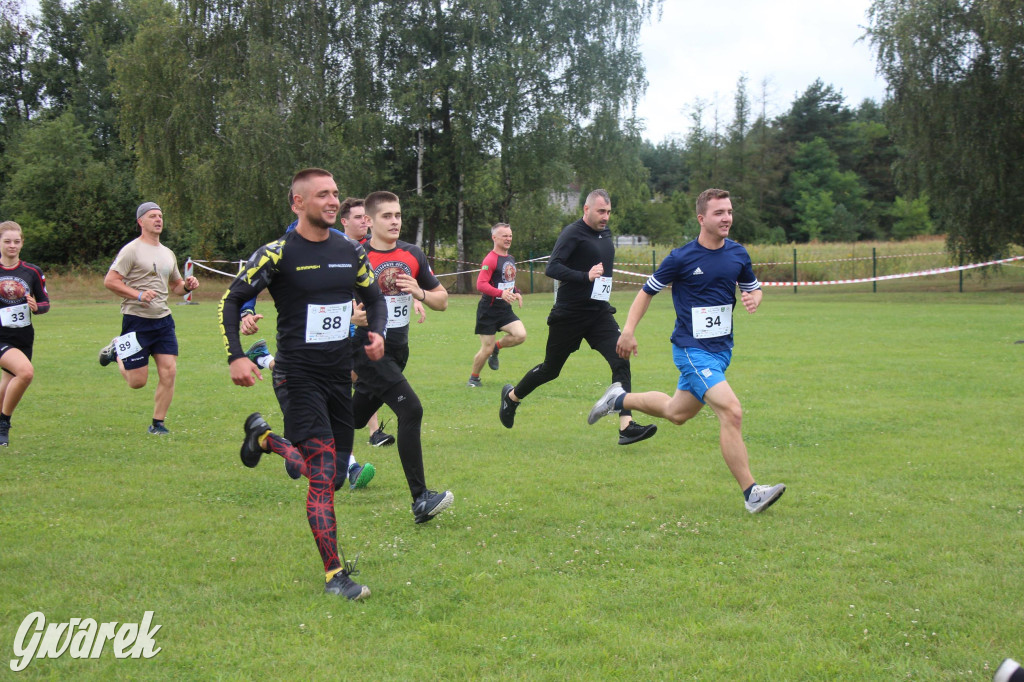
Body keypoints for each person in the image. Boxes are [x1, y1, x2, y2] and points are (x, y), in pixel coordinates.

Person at [219, 168, 387, 600]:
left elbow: (374, 298)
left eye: (336, 194)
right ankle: (336, 577)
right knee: (323, 472)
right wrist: (236, 355)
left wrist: (377, 333)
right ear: (297, 203)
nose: (333, 201)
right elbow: (233, 297)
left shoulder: (349, 251)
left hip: (337, 377)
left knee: (321, 476)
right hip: (297, 376)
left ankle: (262, 438)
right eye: (322, 195)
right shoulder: (277, 254)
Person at [587, 188, 786, 514]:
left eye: (730, 212)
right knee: (731, 411)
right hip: (691, 350)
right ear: (701, 218)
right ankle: (752, 493)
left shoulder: (738, 254)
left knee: (676, 413)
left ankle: (617, 399)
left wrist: (754, 298)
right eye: (719, 213)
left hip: (721, 352)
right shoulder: (681, 258)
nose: (727, 218)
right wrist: (629, 329)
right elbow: (645, 292)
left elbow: (753, 288)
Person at [498, 189, 657, 445]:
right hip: (569, 315)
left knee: (620, 358)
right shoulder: (572, 232)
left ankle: (626, 426)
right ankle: (512, 397)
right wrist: (586, 276)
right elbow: (552, 267)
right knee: (551, 370)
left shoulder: (606, 233)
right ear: (586, 209)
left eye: (608, 212)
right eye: (600, 211)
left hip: (599, 313)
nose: (605, 217)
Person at [350, 190, 453, 524]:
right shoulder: (354, 256)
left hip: (397, 350)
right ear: (369, 221)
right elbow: (331, 303)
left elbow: (442, 300)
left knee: (351, 417)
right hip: (366, 349)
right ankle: (420, 499)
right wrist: (352, 317)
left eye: (397, 215)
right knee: (411, 409)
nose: (394, 221)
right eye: (387, 216)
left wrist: (419, 291)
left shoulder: (412, 254)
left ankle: (294, 443)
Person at [99, 202, 199, 435]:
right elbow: (110, 281)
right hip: (136, 320)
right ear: (140, 222)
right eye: (152, 216)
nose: (158, 219)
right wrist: (138, 294)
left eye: (160, 216)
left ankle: (158, 424)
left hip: (163, 320)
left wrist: (187, 286)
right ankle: (116, 351)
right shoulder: (131, 250)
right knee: (137, 382)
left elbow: (175, 286)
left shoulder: (167, 253)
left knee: (169, 371)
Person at [0, 222, 50, 447]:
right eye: (7, 241)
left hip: (23, 338)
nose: (12, 245)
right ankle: (4, 423)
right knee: (26, 373)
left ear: (22, 243)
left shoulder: (32, 271)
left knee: (8, 382)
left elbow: (45, 303)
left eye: (16, 241)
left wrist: (36, 306)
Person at [466, 223, 526, 387]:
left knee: (520, 335)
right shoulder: (490, 259)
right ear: (494, 238)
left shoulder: (510, 259)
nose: (508, 239)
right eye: (504, 236)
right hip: (488, 311)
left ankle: (497, 348)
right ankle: (474, 378)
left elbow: (508, 282)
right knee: (486, 349)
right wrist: (501, 294)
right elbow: (481, 285)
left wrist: (517, 291)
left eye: (510, 236)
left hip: (505, 310)